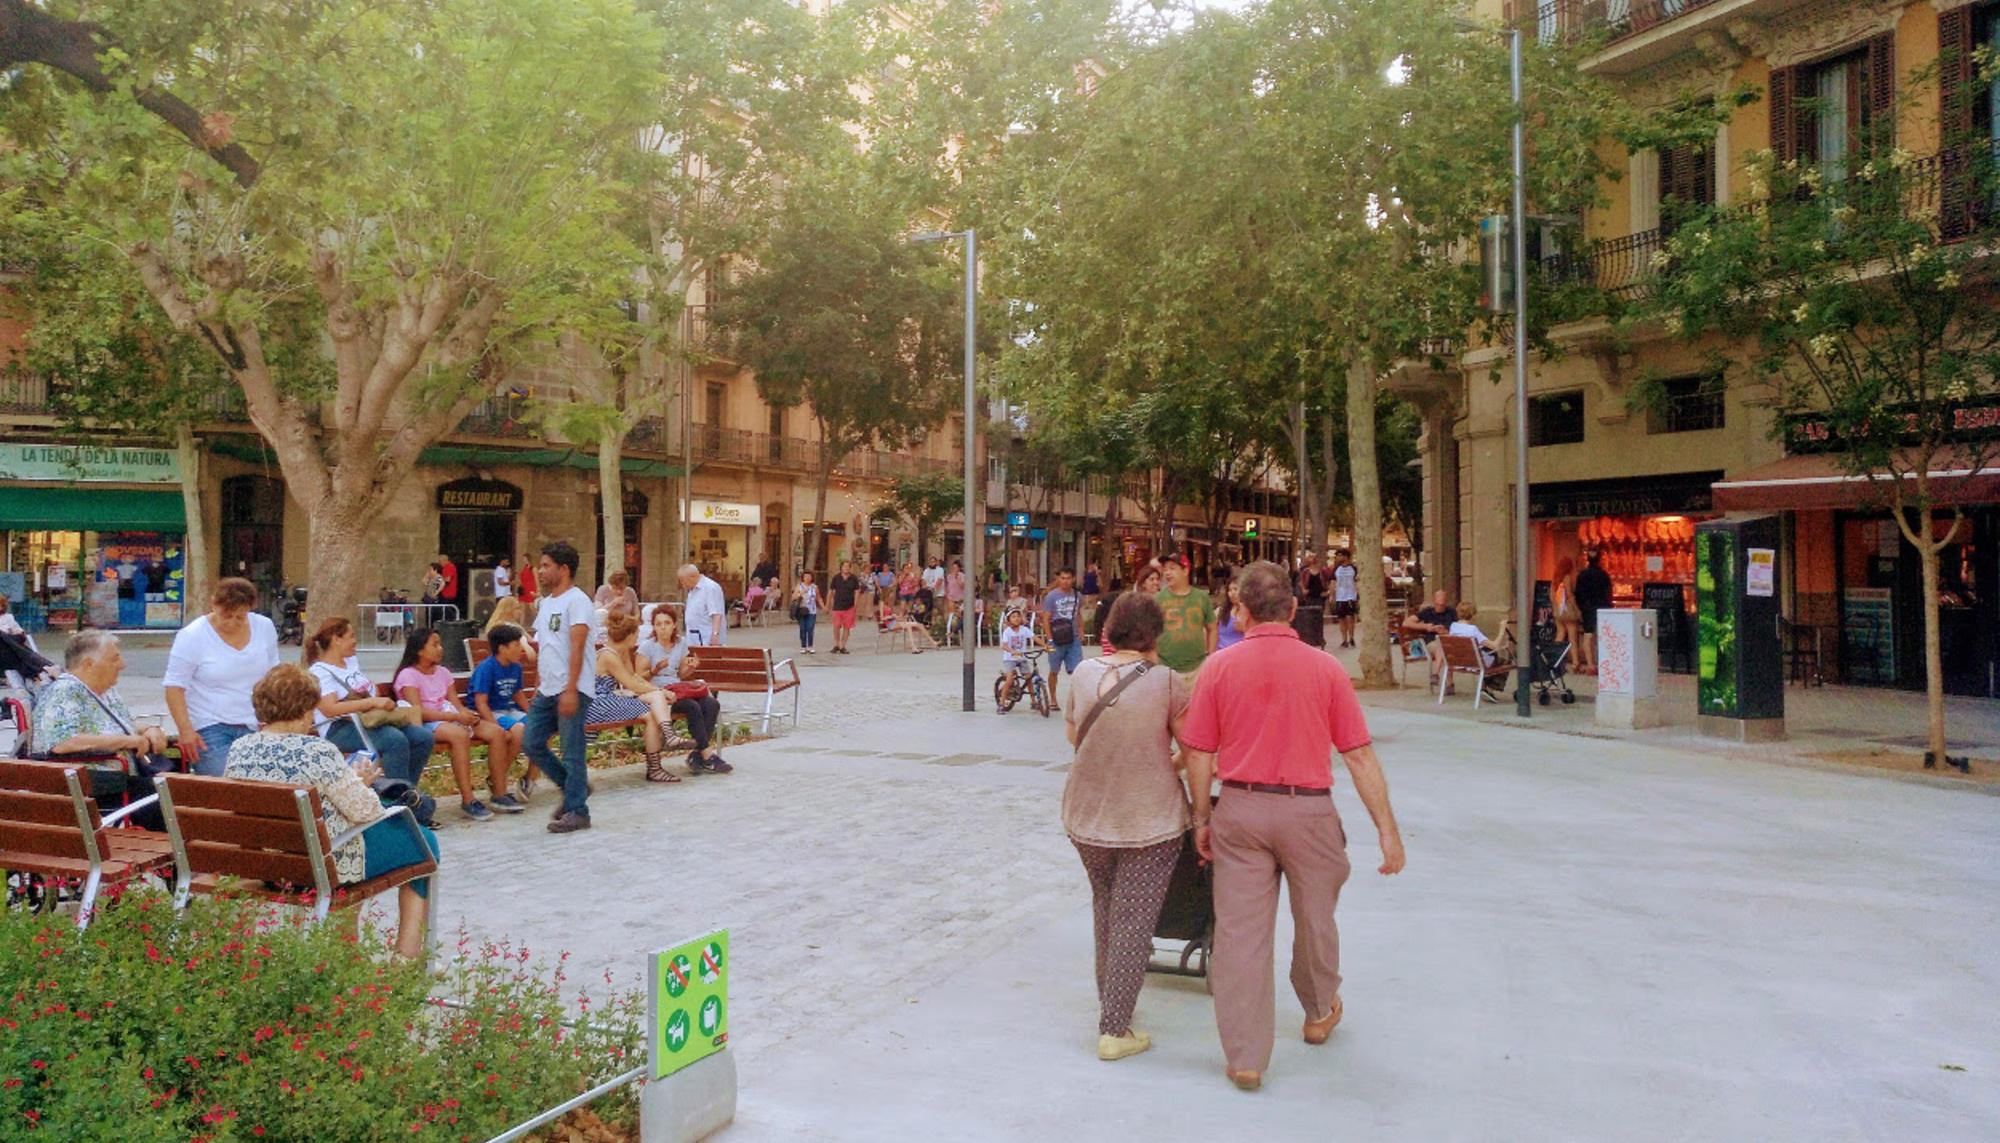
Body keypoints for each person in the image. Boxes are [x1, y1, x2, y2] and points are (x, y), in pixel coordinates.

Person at [1180, 561, 1405, 1091]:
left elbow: (1197, 752)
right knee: (1316, 920)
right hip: (1309, 810)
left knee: (1240, 933)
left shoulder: (1218, 667)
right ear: (1292, 608)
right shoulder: (1325, 668)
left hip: (1241, 807)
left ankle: (1245, 1056)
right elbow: (1358, 755)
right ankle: (1319, 1008)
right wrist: (1387, 831)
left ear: (1243, 610)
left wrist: (1201, 817)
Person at [1063, 592, 1197, 1061]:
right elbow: (1195, 748)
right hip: (1148, 820)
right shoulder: (1166, 683)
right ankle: (1115, 1028)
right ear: (1154, 635)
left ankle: (1112, 1003)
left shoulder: (1083, 674)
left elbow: (1075, 734)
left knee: (1107, 907)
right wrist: (1175, 772)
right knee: (1134, 920)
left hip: (1086, 816)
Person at [226, 665, 439, 960]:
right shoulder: (318, 751)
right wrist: (362, 785)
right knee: (424, 840)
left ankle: (346, 951)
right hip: (321, 867)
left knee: (349, 838)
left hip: (272, 866)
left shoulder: (240, 749)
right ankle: (407, 956)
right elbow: (367, 811)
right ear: (304, 711)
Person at [29, 630, 169, 826]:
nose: (123, 665)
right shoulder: (65, 692)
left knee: (180, 787)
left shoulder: (106, 690)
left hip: (124, 778)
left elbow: (122, 723)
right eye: (114, 659)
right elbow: (63, 741)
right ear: (88, 664)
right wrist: (128, 740)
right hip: (96, 785)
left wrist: (149, 729)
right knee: (169, 797)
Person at [163, 577, 281, 775]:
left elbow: (273, 675)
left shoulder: (264, 627)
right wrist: (186, 730)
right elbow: (174, 687)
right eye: (227, 615)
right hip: (210, 725)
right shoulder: (192, 636)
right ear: (213, 604)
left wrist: (274, 717)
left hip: (254, 722)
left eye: (240, 617)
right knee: (224, 785)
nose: (232, 623)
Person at [303, 618, 437, 789]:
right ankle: (398, 799)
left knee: (422, 737)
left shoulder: (351, 662)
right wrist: (372, 701)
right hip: (339, 727)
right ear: (337, 640)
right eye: (351, 636)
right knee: (394, 740)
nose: (355, 641)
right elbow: (330, 709)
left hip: (368, 720)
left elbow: (367, 689)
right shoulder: (321, 671)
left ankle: (407, 792)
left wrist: (374, 695)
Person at [393, 627, 505, 822]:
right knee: (459, 735)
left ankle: (499, 792)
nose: (440, 648)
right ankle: (468, 799)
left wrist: (466, 714)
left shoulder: (443, 672)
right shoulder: (408, 675)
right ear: (420, 650)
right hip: (427, 722)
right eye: (434, 644)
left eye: (440, 644)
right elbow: (417, 712)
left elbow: (455, 702)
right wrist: (454, 718)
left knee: (496, 732)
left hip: (450, 717)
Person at [526, 542, 597, 834]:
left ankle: (578, 810)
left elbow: (577, 647)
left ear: (564, 569)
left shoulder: (577, 601)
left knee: (572, 750)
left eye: (546, 566)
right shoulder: (545, 603)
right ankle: (573, 788)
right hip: (548, 687)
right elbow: (546, 646)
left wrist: (571, 688)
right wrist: (538, 681)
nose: (540, 571)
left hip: (572, 687)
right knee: (531, 742)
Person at [593, 612, 685, 784]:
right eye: (635, 634)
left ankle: (668, 739)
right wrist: (661, 691)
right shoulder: (608, 655)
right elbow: (632, 685)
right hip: (597, 704)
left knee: (653, 705)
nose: (637, 639)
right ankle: (656, 765)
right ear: (628, 635)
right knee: (650, 714)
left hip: (611, 699)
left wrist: (657, 691)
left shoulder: (621, 653)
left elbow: (634, 678)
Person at [639, 606, 732, 775]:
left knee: (711, 704)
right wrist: (655, 670)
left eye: (667, 623)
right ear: (653, 626)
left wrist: (691, 668)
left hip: (678, 688)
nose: (663, 627)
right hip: (659, 693)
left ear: (674, 625)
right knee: (692, 707)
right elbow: (638, 677)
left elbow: (681, 674)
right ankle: (707, 755)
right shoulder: (647, 647)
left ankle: (697, 754)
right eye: (658, 624)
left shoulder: (680, 643)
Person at [464, 623, 531, 811]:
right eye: (516, 645)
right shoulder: (487, 668)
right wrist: (495, 726)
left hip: (508, 710)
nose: (520, 649)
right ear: (502, 648)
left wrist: (531, 713)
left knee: (537, 727)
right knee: (518, 731)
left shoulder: (515, 667)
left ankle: (497, 777)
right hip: (490, 712)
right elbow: (480, 702)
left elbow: (517, 694)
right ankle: (498, 781)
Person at [1154, 554, 1217, 676]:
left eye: (1172, 568)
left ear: (1185, 570)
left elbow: (1212, 628)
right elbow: (1150, 632)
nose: (1167, 573)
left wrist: (1210, 656)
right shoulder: (1158, 599)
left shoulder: (1202, 598)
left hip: (1197, 668)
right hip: (1165, 668)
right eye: (1165, 569)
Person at [1040, 567, 1085, 711]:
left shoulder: (1078, 596)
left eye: (1068, 578)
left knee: (1077, 670)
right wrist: (1049, 639)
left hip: (1072, 638)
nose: (1065, 581)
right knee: (1054, 670)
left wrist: (1081, 630)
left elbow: (1078, 614)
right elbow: (1046, 619)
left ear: (1073, 579)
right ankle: (1053, 698)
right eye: (1062, 578)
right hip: (1056, 638)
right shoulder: (1051, 597)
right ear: (1058, 579)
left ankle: (1077, 699)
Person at [1402, 590, 1458, 690]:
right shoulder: (1427, 612)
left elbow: (1457, 629)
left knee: (1447, 649)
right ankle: (1442, 678)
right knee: (1441, 648)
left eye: (1443, 604)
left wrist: (1445, 632)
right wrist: (1425, 626)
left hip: (1447, 641)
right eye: (1438, 604)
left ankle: (1443, 680)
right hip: (1431, 643)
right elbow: (1406, 623)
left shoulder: (1452, 612)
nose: (1440, 606)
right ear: (1434, 601)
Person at [1573, 551, 1613, 675]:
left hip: (1588, 608)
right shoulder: (1604, 575)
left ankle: (1590, 664)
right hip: (1603, 607)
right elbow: (1608, 592)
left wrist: (1580, 608)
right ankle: (1603, 662)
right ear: (1600, 560)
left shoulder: (1582, 575)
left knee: (1588, 635)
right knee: (1602, 636)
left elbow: (1578, 593)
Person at [997, 608, 1043, 707]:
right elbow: (1004, 645)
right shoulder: (1007, 632)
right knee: (1009, 680)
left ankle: (1033, 701)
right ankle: (1001, 703)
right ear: (1008, 620)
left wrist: (1045, 646)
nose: (1016, 619)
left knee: (1028, 678)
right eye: (1013, 617)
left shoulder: (1024, 630)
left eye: (1018, 616)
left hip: (1022, 658)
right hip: (1010, 659)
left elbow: (1034, 638)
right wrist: (1012, 651)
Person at [678, 563, 727, 647]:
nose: (682, 584)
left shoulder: (710, 587)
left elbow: (716, 614)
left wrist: (715, 635)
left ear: (692, 577)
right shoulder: (692, 590)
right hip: (694, 637)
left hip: (707, 638)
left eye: (682, 580)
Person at [1447, 601, 1506, 670]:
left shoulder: (1453, 626)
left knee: (1488, 654)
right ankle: (1489, 680)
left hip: (1458, 662)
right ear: (1473, 615)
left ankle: (1488, 680)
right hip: (1474, 664)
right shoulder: (1472, 629)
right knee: (1503, 661)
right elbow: (1494, 646)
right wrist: (1502, 630)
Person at [1550, 556, 1582, 662]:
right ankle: (1575, 662)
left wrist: (1556, 606)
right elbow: (1569, 594)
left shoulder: (1555, 578)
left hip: (1558, 611)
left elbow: (1551, 595)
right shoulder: (1567, 577)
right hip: (1567, 611)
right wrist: (1577, 609)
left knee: (1560, 634)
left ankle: (1554, 659)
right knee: (1572, 638)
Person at [827, 560, 861, 654]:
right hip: (837, 606)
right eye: (844, 566)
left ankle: (843, 645)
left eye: (848, 566)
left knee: (847, 627)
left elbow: (857, 592)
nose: (846, 568)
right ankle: (836, 644)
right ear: (841, 567)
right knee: (836, 626)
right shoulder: (836, 578)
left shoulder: (854, 579)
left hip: (849, 606)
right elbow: (831, 591)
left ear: (850, 568)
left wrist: (855, 605)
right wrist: (827, 604)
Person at [1331, 549, 1360, 649]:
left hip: (1350, 597)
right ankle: (1344, 639)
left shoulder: (1353, 569)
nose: (1338, 558)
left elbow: (1357, 582)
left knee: (1350, 618)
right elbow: (1333, 582)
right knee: (1341, 619)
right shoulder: (1336, 569)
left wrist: (1357, 596)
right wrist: (1332, 595)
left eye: (1340, 555)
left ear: (1346, 557)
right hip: (1340, 597)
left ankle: (1351, 637)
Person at [791, 571, 821, 654]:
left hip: (812, 610)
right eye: (806, 576)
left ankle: (810, 646)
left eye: (809, 576)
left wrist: (824, 607)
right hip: (802, 610)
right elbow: (793, 597)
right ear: (803, 578)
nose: (807, 578)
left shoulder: (814, 587)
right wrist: (799, 594)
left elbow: (818, 598)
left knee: (810, 628)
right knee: (803, 628)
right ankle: (803, 646)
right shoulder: (799, 586)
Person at [1216, 580, 1245, 651]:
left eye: (1235, 589)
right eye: (1230, 590)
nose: (1232, 593)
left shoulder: (1249, 612)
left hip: (1239, 652)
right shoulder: (1221, 610)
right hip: (1221, 651)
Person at [944, 560, 967, 631]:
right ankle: (951, 626)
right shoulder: (949, 576)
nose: (954, 569)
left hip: (960, 597)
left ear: (959, 568)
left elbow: (963, 586)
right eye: (953, 567)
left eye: (956, 567)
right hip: (951, 596)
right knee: (952, 612)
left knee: (960, 613)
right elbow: (948, 586)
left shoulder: (962, 576)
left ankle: (959, 627)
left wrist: (957, 578)